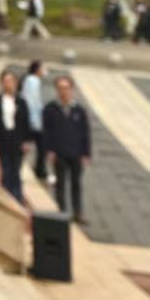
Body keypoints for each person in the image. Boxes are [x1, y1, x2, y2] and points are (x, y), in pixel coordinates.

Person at [40, 74, 92, 223]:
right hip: (58, 153)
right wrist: (48, 150)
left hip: (76, 153)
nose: (64, 91)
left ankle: (78, 213)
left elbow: (85, 132)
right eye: (60, 88)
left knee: (76, 184)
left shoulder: (79, 110)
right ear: (56, 89)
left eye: (66, 88)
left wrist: (86, 153)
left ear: (72, 89)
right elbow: (46, 132)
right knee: (60, 184)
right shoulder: (50, 109)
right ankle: (62, 212)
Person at [0, 70, 33, 203]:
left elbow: (26, 122)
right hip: (3, 138)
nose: (8, 84)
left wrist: (26, 140)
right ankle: (6, 196)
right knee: (6, 168)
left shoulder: (21, 102)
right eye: (5, 81)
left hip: (17, 139)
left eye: (11, 81)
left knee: (16, 169)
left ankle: (17, 196)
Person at [21, 60, 49, 181]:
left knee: (41, 146)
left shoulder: (32, 81)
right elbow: (31, 102)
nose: (45, 71)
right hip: (33, 122)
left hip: (34, 120)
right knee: (39, 145)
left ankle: (40, 170)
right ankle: (39, 171)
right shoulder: (32, 82)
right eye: (43, 68)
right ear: (37, 70)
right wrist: (34, 121)